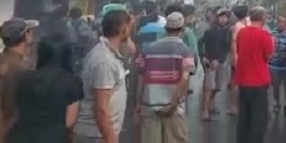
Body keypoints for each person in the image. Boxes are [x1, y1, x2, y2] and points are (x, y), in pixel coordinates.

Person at [7, 39, 83, 143]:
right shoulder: (72, 82)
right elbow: (69, 122)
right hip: (54, 137)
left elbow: (15, 111)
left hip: (21, 136)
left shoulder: (24, 78)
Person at [73, 9, 132, 143]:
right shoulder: (105, 60)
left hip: (99, 133)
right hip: (96, 134)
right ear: (123, 28)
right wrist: (110, 137)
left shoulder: (107, 54)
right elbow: (101, 108)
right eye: (129, 26)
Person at [135, 12, 194, 143]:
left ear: (166, 29)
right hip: (174, 109)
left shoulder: (148, 49)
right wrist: (173, 105)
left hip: (149, 105)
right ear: (183, 29)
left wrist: (138, 104)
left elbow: (140, 77)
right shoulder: (185, 51)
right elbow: (184, 79)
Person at [234, 6, 273, 143]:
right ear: (262, 18)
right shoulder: (264, 35)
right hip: (259, 80)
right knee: (258, 119)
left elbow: (238, 50)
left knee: (244, 117)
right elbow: (268, 55)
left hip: (243, 80)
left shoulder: (242, 33)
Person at [198, 8, 231, 121]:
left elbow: (227, 49)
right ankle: (205, 111)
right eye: (221, 17)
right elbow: (200, 43)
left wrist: (220, 59)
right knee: (209, 87)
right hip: (210, 61)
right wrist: (203, 57)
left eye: (225, 17)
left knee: (218, 87)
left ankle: (210, 104)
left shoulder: (229, 32)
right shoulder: (210, 31)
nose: (223, 19)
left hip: (222, 61)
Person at [269, 15, 286, 116]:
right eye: (279, 21)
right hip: (274, 64)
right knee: (275, 86)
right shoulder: (272, 33)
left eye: (283, 22)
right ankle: (277, 103)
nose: (280, 23)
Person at [227, 5, 250, 115]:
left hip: (239, 57)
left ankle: (233, 106)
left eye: (232, 14)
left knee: (235, 82)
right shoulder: (250, 23)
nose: (230, 16)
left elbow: (234, 43)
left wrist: (234, 58)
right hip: (248, 57)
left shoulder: (237, 26)